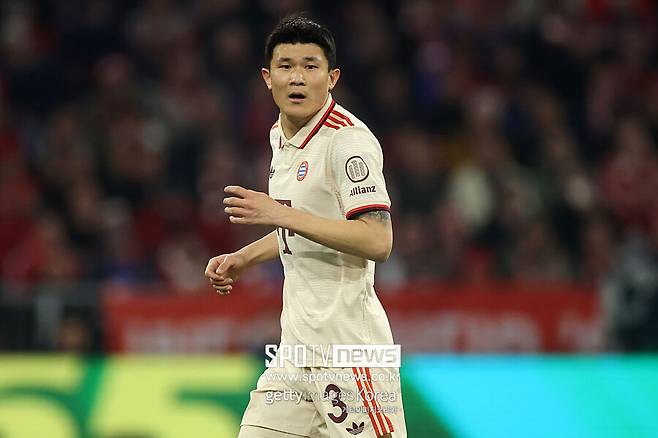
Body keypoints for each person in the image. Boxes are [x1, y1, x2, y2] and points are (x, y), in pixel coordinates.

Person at [205, 15, 406, 438]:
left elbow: (378, 240)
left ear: (332, 78)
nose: (297, 77)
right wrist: (244, 257)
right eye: (286, 66)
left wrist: (280, 214)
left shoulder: (348, 142)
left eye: (310, 66)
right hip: (295, 354)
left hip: (349, 352)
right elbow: (306, 223)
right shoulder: (280, 135)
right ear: (267, 78)